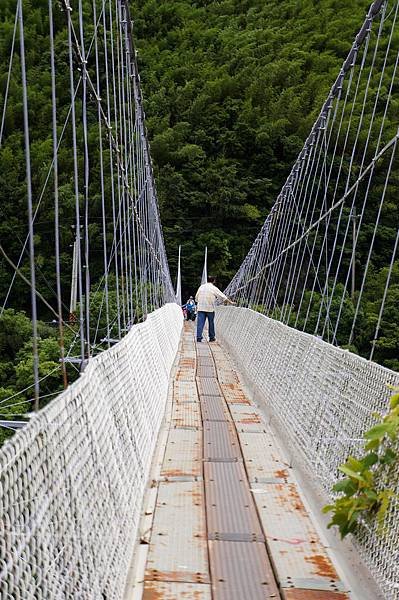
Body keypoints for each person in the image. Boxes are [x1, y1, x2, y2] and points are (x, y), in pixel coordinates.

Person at [195, 276, 235, 342]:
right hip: (210, 308)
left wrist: (198, 301)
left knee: (200, 323)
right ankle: (211, 337)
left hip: (201, 308)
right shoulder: (213, 288)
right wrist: (231, 302)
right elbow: (222, 296)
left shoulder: (201, 287)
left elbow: (196, 297)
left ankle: (199, 337)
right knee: (211, 323)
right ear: (214, 281)